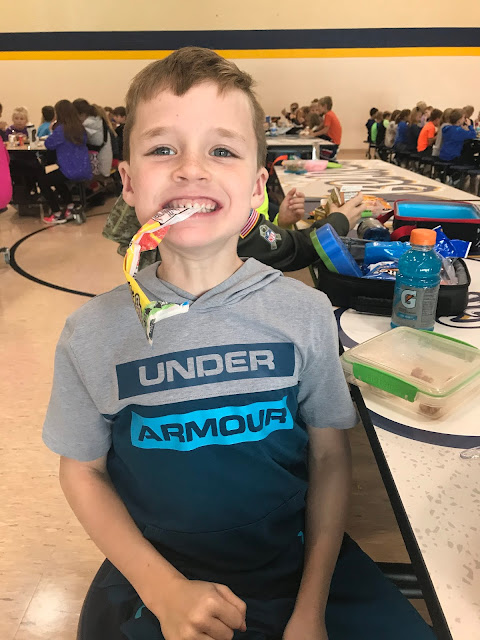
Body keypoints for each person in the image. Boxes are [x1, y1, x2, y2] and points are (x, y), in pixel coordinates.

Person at [43, 47, 435, 640]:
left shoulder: (304, 312)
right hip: (157, 574)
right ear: (128, 182)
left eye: (221, 150)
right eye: (162, 149)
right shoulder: (91, 332)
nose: (191, 169)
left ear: (257, 189)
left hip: (297, 566)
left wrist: (310, 611)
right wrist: (161, 588)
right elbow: (83, 473)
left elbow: (330, 459)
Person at [102, 190, 367, 272]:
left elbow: (262, 237)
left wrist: (280, 221)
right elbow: (297, 250)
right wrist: (339, 220)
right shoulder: (227, 219)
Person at [42, 99, 92, 224]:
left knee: (43, 181)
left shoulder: (61, 130)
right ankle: (70, 206)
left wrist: (52, 130)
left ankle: (57, 213)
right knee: (57, 179)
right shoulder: (80, 128)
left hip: (69, 169)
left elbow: (48, 144)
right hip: (84, 168)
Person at [73, 99, 113, 177]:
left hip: (98, 166)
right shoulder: (98, 120)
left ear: (82, 114)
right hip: (105, 161)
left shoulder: (88, 125)